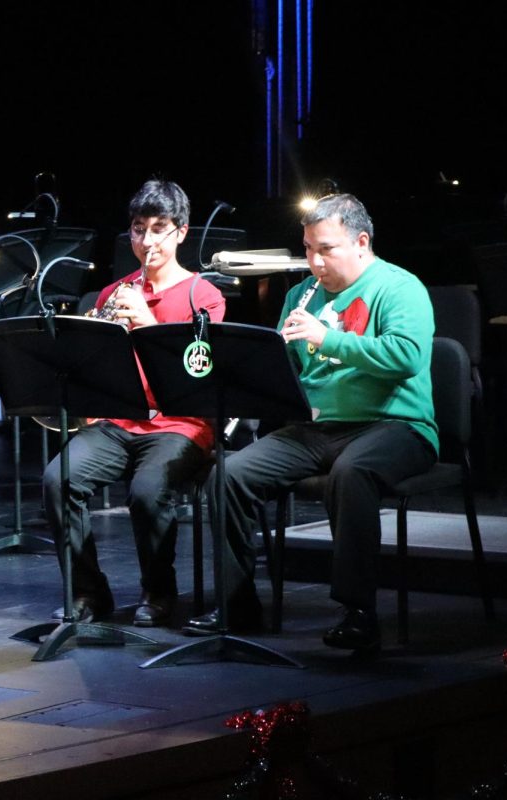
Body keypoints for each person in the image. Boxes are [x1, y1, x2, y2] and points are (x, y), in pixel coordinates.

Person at [185, 193, 437, 652]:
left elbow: (407, 355)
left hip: (394, 425)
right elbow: (292, 375)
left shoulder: (399, 288)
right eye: (307, 248)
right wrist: (269, 362)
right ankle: (237, 604)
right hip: (318, 428)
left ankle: (358, 611)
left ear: (361, 242)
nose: (314, 261)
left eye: (326, 249)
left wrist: (328, 339)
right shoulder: (301, 296)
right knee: (229, 475)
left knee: (353, 472)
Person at [42, 179, 224, 626]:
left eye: (159, 228)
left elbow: (196, 377)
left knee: (147, 492)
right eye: (139, 229)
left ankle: (159, 593)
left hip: (180, 424)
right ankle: (88, 592)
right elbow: (99, 371)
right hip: (120, 420)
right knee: (57, 480)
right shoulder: (113, 292)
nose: (147, 241)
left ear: (181, 233)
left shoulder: (204, 297)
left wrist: (146, 326)